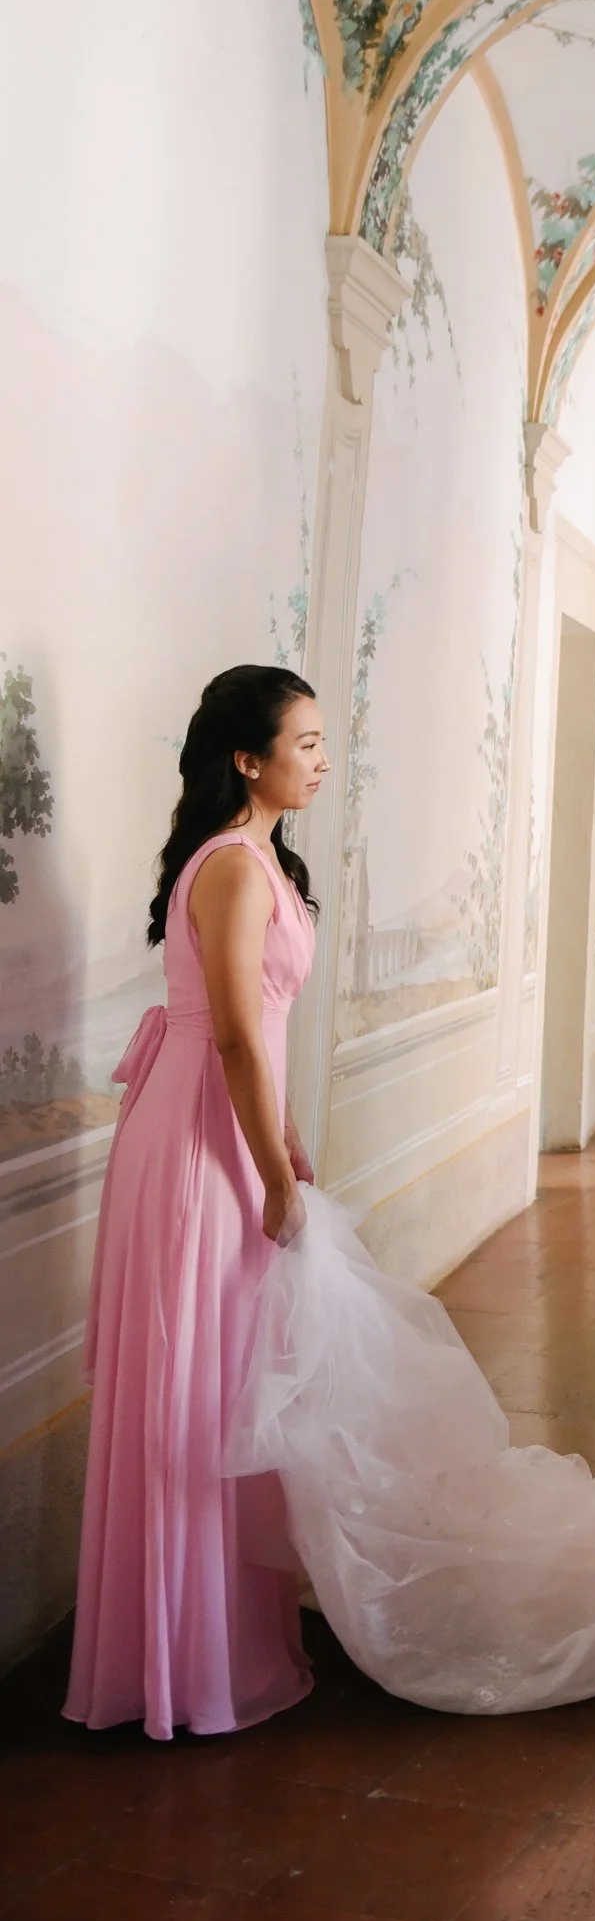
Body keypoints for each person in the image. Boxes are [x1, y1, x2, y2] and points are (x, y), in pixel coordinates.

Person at [65, 666, 327, 1740]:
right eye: (304, 741)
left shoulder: (263, 854)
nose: (321, 759)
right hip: (193, 1140)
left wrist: (289, 1141)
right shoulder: (229, 865)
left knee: (222, 1376)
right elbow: (226, 1031)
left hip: (228, 1118)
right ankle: (174, 1663)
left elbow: (257, 1034)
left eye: (322, 741)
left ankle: (210, 1638)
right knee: (190, 1380)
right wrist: (269, 1170)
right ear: (245, 756)